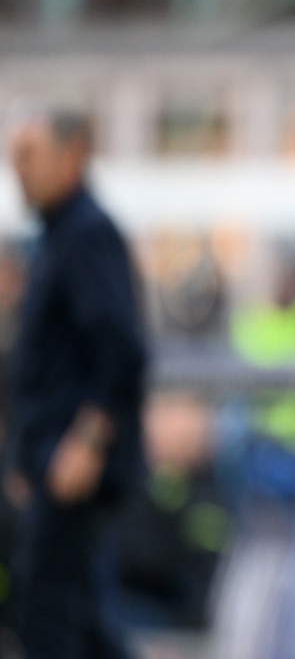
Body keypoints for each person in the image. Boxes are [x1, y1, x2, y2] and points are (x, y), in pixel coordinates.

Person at [4, 110, 146, 659]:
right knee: (79, 622)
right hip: (49, 461)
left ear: (71, 157)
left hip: (74, 469)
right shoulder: (57, 238)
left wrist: (87, 441)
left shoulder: (86, 234)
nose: (18, 170)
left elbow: (120, 348)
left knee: (49, 621)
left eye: (29, 155)